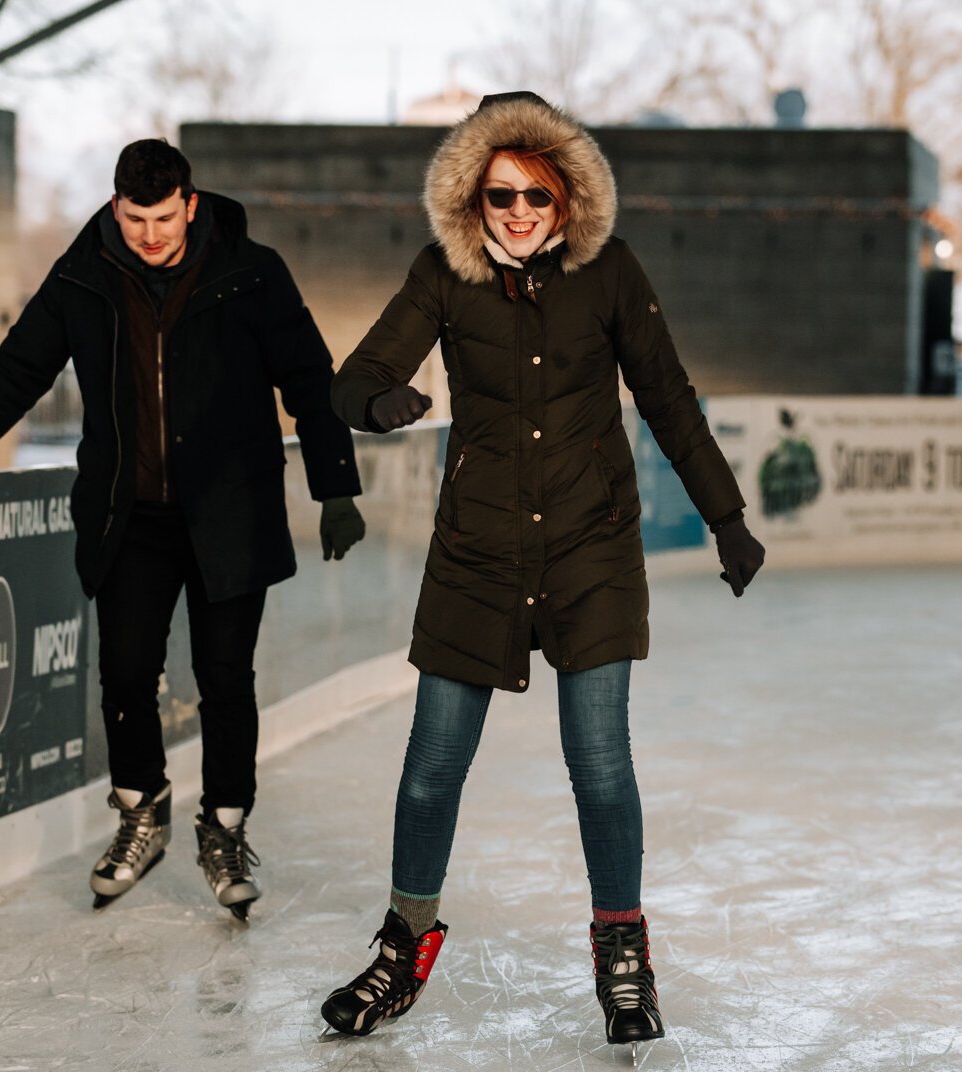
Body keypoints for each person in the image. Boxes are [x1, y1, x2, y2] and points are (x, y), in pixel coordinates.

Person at [319, 92, 765, 1044]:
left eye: (536, 194)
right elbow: (351, 378)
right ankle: (404, 945)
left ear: (567, 199)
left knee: (600, 767)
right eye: (499, 195)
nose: (518, 211)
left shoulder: (609, 274)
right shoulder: (444, 273)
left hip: (590, 550)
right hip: (475, 554)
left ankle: (623, 954)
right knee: (434, 768)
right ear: (472, 201)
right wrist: (382, 400)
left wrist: (725, 515)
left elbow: (668, 397)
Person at [0, 139, 365, 919]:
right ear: (116, 208)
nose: (150, 233)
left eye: (164, 217)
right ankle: (142, 814)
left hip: (231, 511)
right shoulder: (84, 276)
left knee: (225, 680)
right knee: (126, 674)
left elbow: (311, 380)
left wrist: (335, 486)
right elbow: (17, 371)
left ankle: (225, 828)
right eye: (136, 217)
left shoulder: (252, 271)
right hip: (128, 515)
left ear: (191, 204)